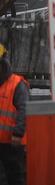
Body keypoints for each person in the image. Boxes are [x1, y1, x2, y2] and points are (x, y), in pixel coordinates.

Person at [0, 43, 28, 185]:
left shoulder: (17, 84)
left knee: (15, 177)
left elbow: (24, 110)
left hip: (12, 143)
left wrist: (18, 133)